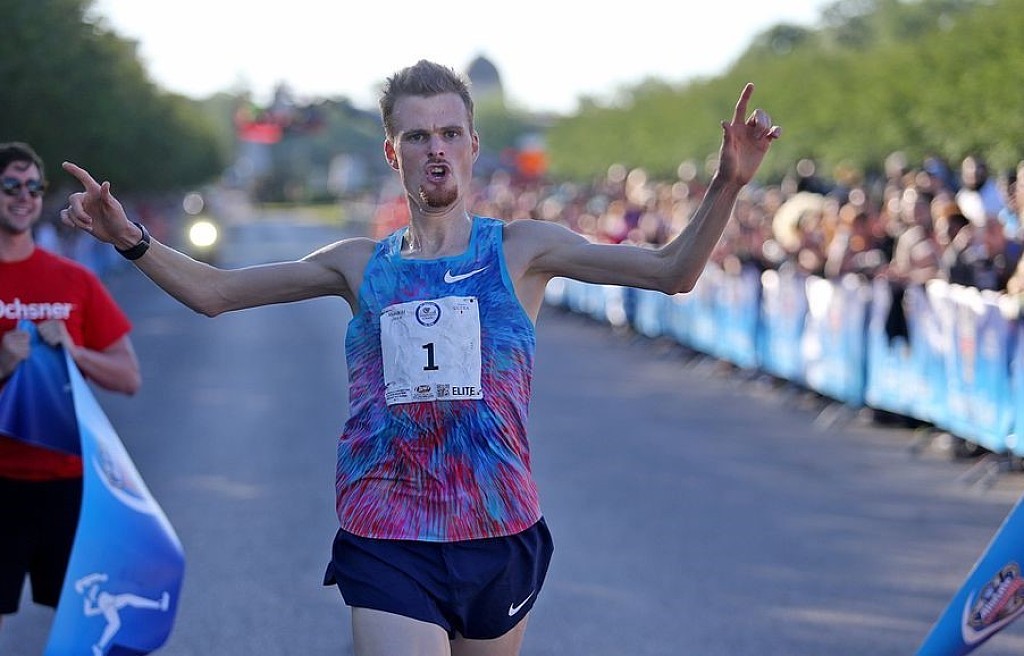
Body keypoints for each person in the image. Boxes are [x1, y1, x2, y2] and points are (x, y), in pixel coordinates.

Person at [60, 60, 780, 656]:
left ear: (472, 145)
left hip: (498, 526)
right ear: (392, 152)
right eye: (417, 136)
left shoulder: (523, 250)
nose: (436, 149)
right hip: (387, 531)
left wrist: (728, 184)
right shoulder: (356, 264)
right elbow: (216, 293)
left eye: (449, 133)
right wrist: (131, 239)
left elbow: (671, 272)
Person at [0, 142, 141, 630]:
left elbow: (128, 377)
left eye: (33, 186)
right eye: (10, 185)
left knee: (83, 624)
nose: (24, 196)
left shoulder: (74, 280)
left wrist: (76, 353)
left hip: (69, 482)